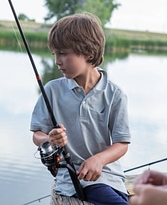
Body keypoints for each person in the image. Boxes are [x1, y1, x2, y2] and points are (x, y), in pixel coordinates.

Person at [30, 13, 131, 205]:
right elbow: (37, 134)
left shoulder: (115, 94)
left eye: (63, 53)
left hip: (110, 177)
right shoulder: (52, 90)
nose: (57, 61)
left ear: (88, 53)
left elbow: (122, 144)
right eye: (54, 54)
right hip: (74, 179)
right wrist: (49, 139)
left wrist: (99, 160)